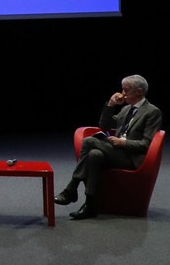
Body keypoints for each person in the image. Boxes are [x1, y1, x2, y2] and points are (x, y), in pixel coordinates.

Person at [54, 74, 162, 220]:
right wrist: (111, 105)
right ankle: (90, 205)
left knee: (88, 142)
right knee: (94, 155)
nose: (122, 93)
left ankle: (71, 188)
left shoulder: (152, 112)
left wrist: (123, 143)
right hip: (115, 151)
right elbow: (104, 126)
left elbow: (146, 144)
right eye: (122, 89)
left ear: (139, 92)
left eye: (126, 90)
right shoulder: (125, 110)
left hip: (130, 156)